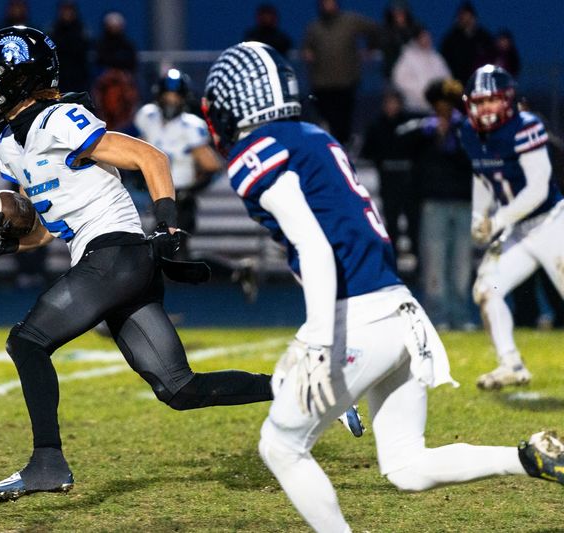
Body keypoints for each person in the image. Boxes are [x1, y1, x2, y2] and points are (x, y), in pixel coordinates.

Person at [202, 41, 564, 532]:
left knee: (279, 445)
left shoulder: (256, 151)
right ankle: (526, 457)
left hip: (359, 318)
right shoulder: (312, 136)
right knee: (406, 466)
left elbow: (314, 245)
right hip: (401, 311)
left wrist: (318, 343)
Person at [0, 26, 276, 502]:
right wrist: (9, 244)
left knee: (26, 342)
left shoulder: (59, 119)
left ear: (17, 77)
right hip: (112, 263)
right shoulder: (9, 147)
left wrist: (168, 223)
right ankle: (305, 389)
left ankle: (48, 464)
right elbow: (48, 228)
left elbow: (150, 157)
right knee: (179, 389)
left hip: (115, 253)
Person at [460, 65, 564, 389]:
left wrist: (497, 220)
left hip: (551, 224)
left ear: (508, 100)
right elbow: (482, 175)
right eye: (480, 102)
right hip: (518, 231)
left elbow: (538, 190)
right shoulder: (469, 133)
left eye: (493, 100)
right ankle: (511, 364)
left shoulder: (526, 126)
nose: (487, 109)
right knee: (487, 289)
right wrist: (479, 217)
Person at [134, 69, 258, 301]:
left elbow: (212, 166)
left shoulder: (190, 126)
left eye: (175, 97)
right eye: (167, 96)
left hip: (180, 200)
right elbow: (139, 150)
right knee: (165, 255)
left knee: (162, 255)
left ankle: (235, 272)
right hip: (159, 195)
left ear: (183, 99)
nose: (171, 101)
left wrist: (188, 191)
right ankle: (237, 271)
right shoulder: (148, 117)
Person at [397, 79, 473, 330]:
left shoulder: (467, 131)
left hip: (463, 202)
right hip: (433, 203)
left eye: (447, 106)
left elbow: (473, 161)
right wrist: (428, 132)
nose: (443, 111)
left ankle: (460, 316)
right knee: (434, 263)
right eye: (439, 106)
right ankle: (437, 316)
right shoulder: (423, 131)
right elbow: (397, 140)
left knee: (461, 264)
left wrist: (455, 137)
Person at [301, 0, 380, 145]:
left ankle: (344, 147)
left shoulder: (350, 21)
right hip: (322, 83)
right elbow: (306, 48)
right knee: (325, 119)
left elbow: (373, 28)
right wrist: (307, 53)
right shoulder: (314, 27)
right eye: (325, 2)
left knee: (344, 121)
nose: (328, 5)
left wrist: (370, 48)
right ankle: (327, 146)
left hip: (346, 81)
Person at [360, 87, 418, 276]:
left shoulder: (410, 125)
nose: (391, 106)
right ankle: (391, 265)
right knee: (391, 222)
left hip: (409, 181)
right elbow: (366, 151)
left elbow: (419, 149)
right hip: (388, 181)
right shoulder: (376, 126)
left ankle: (419, 264)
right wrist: (382, 161)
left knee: (413, 222)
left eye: (394, 102)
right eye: (388, 102)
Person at [391, 27, 451, 114]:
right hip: (415, 108)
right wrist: (422, 92)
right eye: (423, 37)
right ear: (417, 39)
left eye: (428, 37)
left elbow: (447, 78)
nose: (427, 40)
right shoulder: (407, 57)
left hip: (436, 108)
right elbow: (399, 80)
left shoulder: (436, 57)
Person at [440, 1, 494, 84]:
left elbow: (492, 56)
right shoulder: (450, 39)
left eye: (469, 17)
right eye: (463, 17)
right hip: (458, 82)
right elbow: (445, 62)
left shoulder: (484, 37)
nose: (466, 20)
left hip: (480, 81)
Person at [49, 0, 91, 93]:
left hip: (79, 78)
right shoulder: (53, 31)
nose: (67, 13)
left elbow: (85, 54)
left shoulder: (82, 31)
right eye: (64, 10)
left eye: (69, 10)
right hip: (59, 77)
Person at [379, 0, 421, 79]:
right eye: (396, 12)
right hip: (393, 71)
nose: (399, 15)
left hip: (416, 70)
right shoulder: (385, 31)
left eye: (401, 12)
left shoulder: (416, 28)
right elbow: (386, 51)